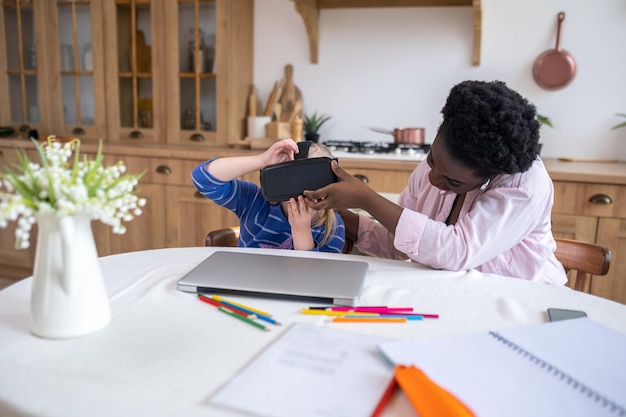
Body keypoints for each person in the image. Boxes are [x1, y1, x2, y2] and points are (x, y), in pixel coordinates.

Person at [304, 80, 567, 284]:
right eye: (431, 160)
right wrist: (334, 209)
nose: (432, 179)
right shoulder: (440, 166)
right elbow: (398, 243)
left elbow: (455, 251)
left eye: (451, 182)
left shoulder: (524, 187)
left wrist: (366, 198)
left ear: (490, 174)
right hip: (452, 294)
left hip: (519, 298)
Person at [192, 139, 345, 252]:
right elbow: (203, 179)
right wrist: (261, 161)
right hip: (247, 284)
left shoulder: (332, 227)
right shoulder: (256, 202)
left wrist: (301, 230)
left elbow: (314, 280)